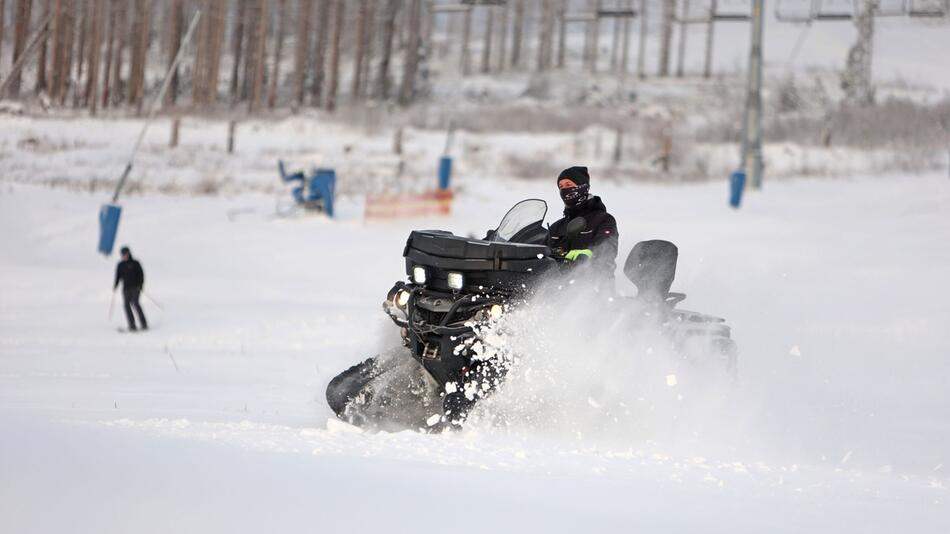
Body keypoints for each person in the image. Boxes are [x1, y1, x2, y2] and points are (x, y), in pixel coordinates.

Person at [547, 166, 619, 285]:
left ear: (583, 186)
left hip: (594, 288)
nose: (565, 190)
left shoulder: (604, 220)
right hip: (555, 288)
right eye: (561, 187)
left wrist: (585, 256)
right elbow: (539, 254)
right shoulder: (556, 227)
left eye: (569, 185)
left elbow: (607, 252)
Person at [114, 246, 148, 332]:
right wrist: (116, 284)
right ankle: (132, 324)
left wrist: (141, 285)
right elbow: (118, 276)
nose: (124, 256)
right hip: (126, 288)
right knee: (126, 305)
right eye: (122, 254)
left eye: (125, 254)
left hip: (135, 287)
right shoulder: (120, 265)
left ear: (129, 253)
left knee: (135, 303)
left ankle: (144, 324)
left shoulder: (135, 263)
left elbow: (141, 275)